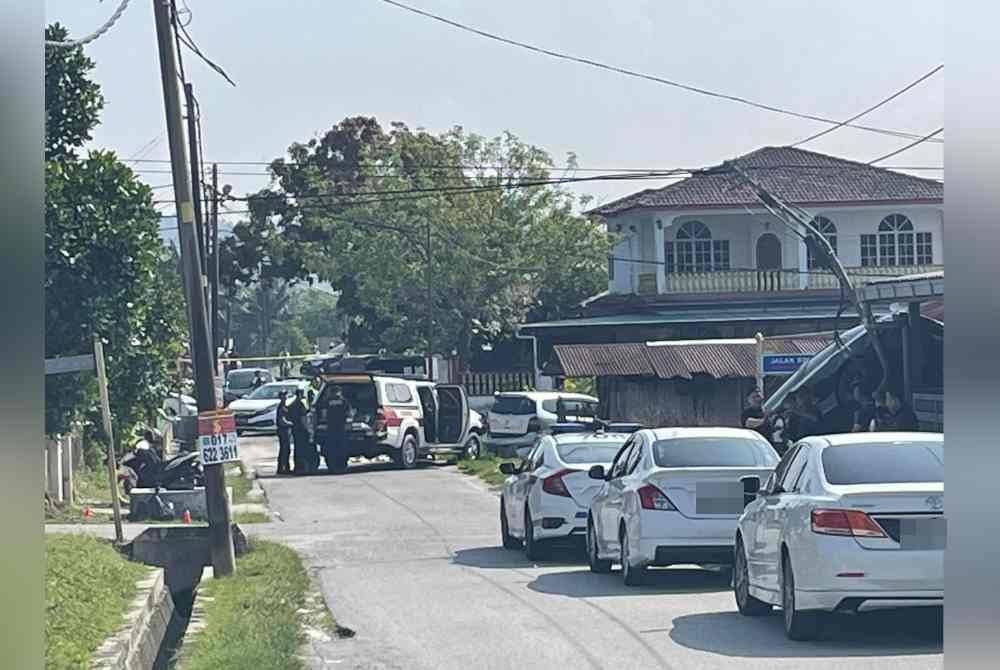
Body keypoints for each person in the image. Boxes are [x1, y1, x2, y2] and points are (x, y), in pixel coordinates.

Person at [322, 386, 350, 473]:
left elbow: (324, 414)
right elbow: (349, 413)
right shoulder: (344, 401)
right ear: (339, 392)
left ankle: (332, 466)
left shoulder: (327, 401)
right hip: (341, 427)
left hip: (331, 427)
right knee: (342, 447)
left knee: (331, 447)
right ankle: (342, 466)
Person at [287, 388, 313, 475]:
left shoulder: (292, 404)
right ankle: (301, 467)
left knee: (297, 448)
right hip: (301, 429)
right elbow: (303, 418)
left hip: (295, 429)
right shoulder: (300, 404)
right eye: (302, 394)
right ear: (300, 394)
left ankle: (297, 467)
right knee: (302, 449)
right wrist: (307, 429)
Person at [275, 391, 293, 475]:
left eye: (285, 395)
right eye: (283, 395)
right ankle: (282, 468)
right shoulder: (281, 407)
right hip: (283, 430)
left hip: (286, 430)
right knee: (284, 450)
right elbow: (282, 420)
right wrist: (291, 423)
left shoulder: (285, 406)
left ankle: (286, 467)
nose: (285, 397)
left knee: (286, 450)